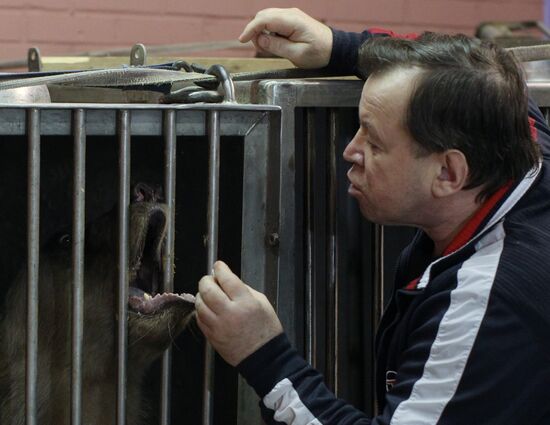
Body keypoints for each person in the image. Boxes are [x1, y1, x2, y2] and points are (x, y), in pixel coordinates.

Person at [195, 8, 550, 424]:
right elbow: (457, 62)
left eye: (374, 142)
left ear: (448, 173)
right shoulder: (512, 131)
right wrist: (337, 46)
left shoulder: (486, 305)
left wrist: (266, 357)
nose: (350, 150)